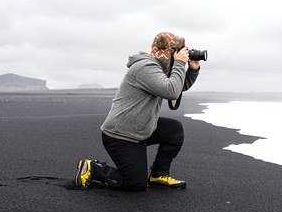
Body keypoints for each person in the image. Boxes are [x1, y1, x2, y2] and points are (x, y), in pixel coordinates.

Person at [72, 32, 200, 191]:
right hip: (121, 135)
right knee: (135, 184)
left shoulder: (158, 68)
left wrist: (193, 70)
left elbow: (177, 88)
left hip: (141, 129)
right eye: (175, 51)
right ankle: (93, 168)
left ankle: (158, 175)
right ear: (161, 51)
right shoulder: (145, 67)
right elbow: (171, 91)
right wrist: (180, 64)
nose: (178, 55)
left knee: (174, 130)